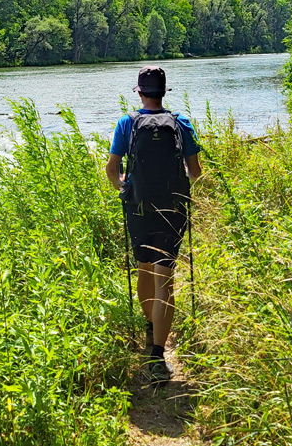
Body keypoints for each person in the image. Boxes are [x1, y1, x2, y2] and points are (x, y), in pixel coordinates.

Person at [105, 65, 202, 383]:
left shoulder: (126, 123)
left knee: (144, 269)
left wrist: (123, 187)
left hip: (139, 209)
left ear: (140, 92)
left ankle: (151, 329)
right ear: (163, 92)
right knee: (165, 279)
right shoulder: (181, 122)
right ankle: (159, 355)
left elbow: (112, 168)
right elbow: (196, 171)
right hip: (172, 210)